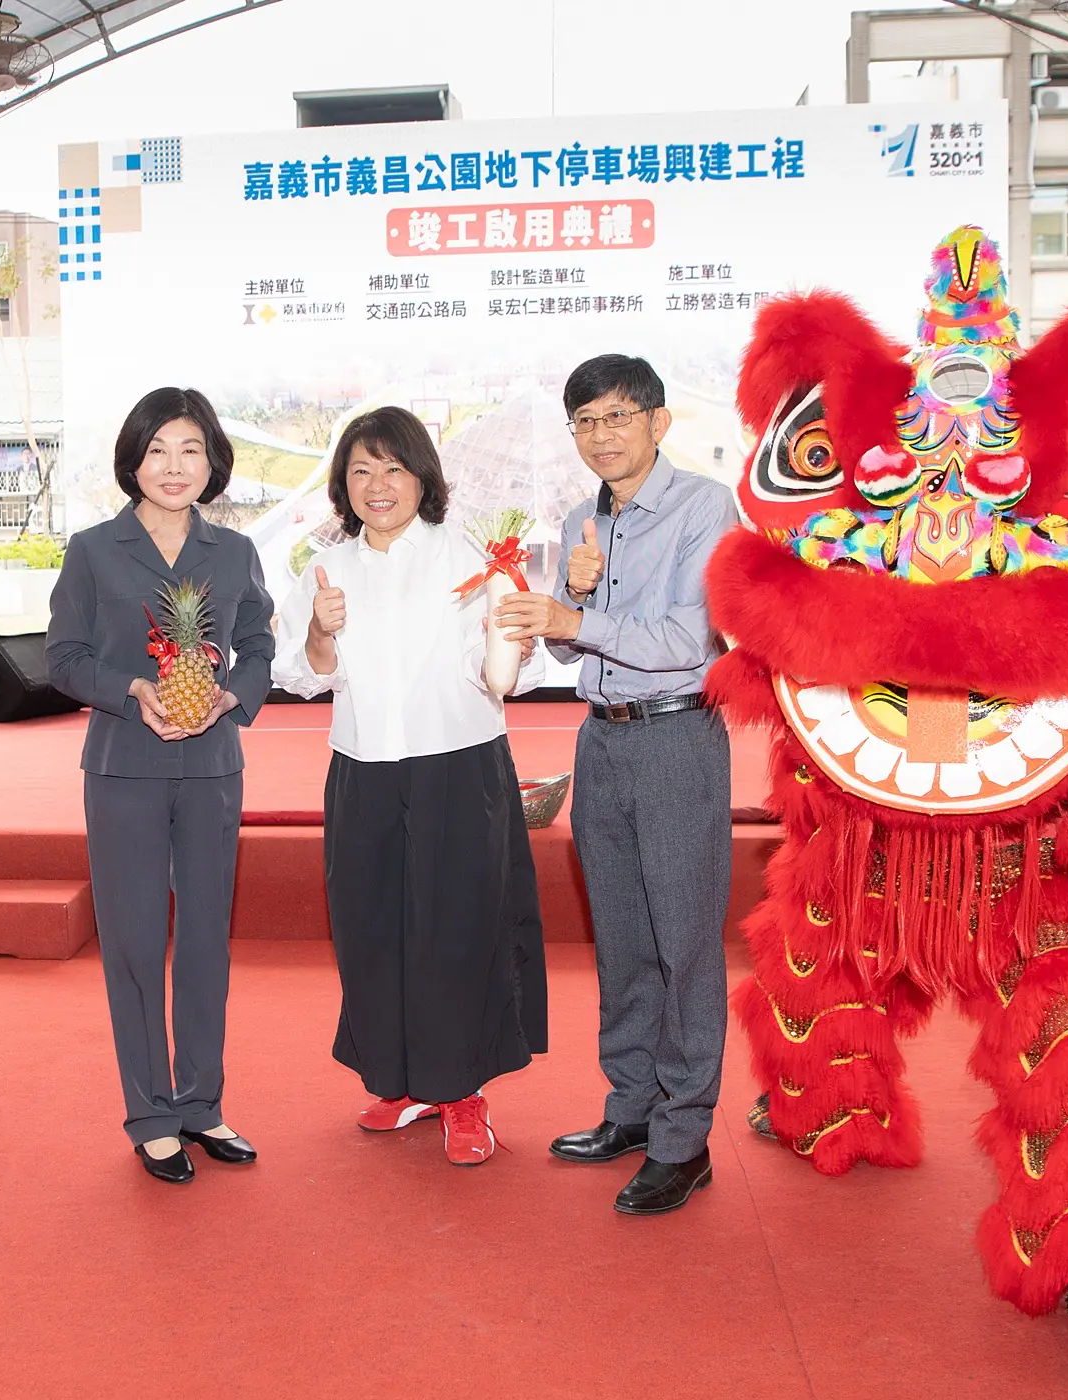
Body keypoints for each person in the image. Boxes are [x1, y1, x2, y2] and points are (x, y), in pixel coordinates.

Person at [494, 354, 737, 1215]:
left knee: (684, 945)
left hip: (678, 739)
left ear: (658, 422)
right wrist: (571, 599)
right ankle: (630, 1110)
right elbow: (567, 649)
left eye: (616, 418)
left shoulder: (708, 507)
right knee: (625, 943)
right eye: (584, 423)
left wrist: (577, 615)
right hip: (602, 741)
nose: (599, 437)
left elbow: (691, 634)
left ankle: (685, 1137)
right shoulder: (580, 517)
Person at [272, 407, 548, 1165]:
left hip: (455, 765)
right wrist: (321, 633)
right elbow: (296, 674)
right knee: (371, 928)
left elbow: (495, 676)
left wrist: (506, 637)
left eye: (393, 467)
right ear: (342, 486)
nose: (378, 485)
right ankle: (401, 1080)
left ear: (422, 475)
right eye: (360, 470)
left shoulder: (466, 560)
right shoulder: (327, 567)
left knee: (458, 931)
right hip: (361, 770)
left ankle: (462, 1094)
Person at [45, 387, 276, 1184]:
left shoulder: (234, 553)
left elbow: (256, 646)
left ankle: (201, 1102)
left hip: (212, 768)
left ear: (212, 461)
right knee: (138, 945)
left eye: (190, 451)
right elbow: (63, 656)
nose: (174, 468)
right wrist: (132, 690)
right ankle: (151, 1116)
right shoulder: (93, 549)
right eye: (157, 452)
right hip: (123, 770)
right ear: (132, 461)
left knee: (207, 940)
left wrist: (232, 694)